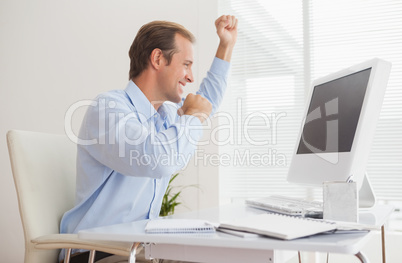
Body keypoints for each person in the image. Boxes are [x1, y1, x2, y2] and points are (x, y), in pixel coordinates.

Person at [59, 15, 238, 263]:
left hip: (138, 251)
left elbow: (206, 102)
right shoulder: (109, 108)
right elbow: (157, 158)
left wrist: (226, 45)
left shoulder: (163, 117)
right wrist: (193, 115)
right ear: (157, 59)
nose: (190, 77)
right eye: (186, 64)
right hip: (95, 254)